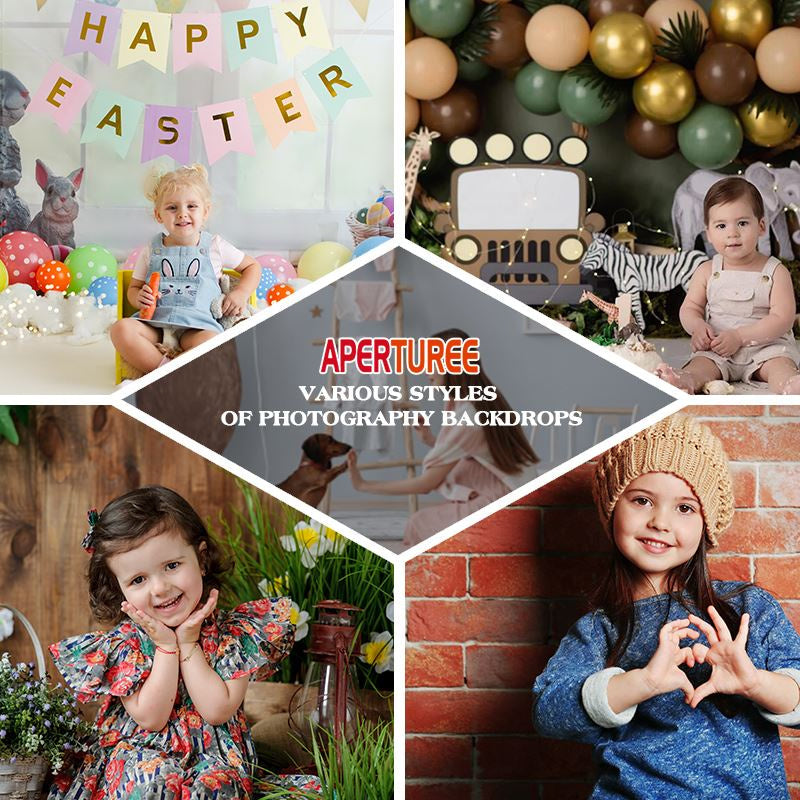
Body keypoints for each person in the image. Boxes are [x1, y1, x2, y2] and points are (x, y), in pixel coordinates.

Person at [532, 415, 800, 799]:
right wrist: (641, 682)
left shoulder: (747, 608)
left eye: (685, 508)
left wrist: (756, 683)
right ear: (612, 510)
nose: (659, 521)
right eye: (642, 500)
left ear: (707, 523)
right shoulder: (598, 629)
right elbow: (549, 713)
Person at [47, 486, 320, 800]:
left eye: (172, 566)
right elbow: (151, 717)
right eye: (138, 580)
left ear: (201, 559)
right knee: (152, 780)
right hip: (137, 752)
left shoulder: (234, 634)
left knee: (216, 786)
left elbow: (217, 710)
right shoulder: (125, 645)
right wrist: (165, 647)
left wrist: (189, 644)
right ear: (120, 590)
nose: (161, 588)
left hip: (214, 756)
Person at [347, 328, 539, 547]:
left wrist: (363, 485)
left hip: (507, 505)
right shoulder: (482, 398)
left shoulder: (468, 413)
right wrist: (430, 440)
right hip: (513, 492)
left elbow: (427, 483)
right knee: (457, 469)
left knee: (418, 523)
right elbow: (476, 451)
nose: (426, 371)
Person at [110, 165, 261, 375]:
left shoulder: (215, 246)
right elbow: (134, 288)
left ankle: (178, 370)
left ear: (205, 211)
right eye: (172, 208)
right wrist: (138, 297)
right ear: (158, 214)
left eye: (191, 206)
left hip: (197, 326)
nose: (182, 214)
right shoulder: (151, 249)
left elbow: (253, 266)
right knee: (120, 329)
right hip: (156, 325)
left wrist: (241, 292)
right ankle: (165, 371)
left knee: (213, 344)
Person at [657, 176, 800, 394]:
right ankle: (685, 381)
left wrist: (740, 337)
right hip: (718, 349)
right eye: (721, 225)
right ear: (709, 234)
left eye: (742, 223)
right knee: (701, 366)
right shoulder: (706, 270)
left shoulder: (775, 272)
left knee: (780, 366)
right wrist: (697, 327)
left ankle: (790, 385)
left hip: (767, 348)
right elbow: (690, 308)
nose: (732, 233)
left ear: (761, 226)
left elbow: (782, 319)